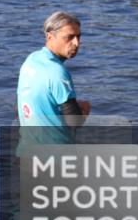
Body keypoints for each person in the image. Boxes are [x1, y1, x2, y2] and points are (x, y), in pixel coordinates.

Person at [17, 12, 91, 148]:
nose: (76, 43)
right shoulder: (57, 72)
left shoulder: (31, 60)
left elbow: (24, 106)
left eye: (78, 37)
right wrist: (85, 110)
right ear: (50, 36)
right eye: (69, 37)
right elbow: (74, 121)